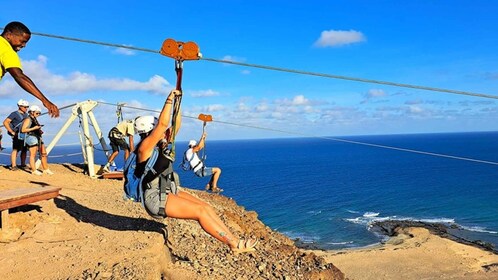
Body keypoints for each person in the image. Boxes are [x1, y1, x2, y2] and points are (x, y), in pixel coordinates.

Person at [133, 89, 257, 254]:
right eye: (156, 129)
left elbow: (175, 126)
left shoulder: (159, 145)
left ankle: (233, 239)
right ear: (150, 130)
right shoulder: (144, 149)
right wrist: (168, 100)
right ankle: (234, 244)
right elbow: (163, 125)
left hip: (167, 190)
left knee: (206, 207)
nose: (162, 132)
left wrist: (179, 102)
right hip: (155, 198)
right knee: (199, 212)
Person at [1, 21, 59, 118]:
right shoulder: (7, 50)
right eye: (22, 41)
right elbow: (19, 76)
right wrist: (45, 101)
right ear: (8, 35)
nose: (24, 45)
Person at [21, 105, 53, 175]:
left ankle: (46, 169)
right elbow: (23, 130)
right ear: (32, 112)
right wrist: (34, 128)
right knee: (33, 154)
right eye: (37, 113)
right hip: (31, 138)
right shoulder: (28, 119)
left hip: (37, 137)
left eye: (39, 113)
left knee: (44, 153)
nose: (38, 114)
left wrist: (38, 130)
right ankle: (34, 170)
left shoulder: (34, 119)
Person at [3, 99, 29, 170]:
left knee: (24, 149)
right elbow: (5, 122)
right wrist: (11, 131)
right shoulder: (14, 114)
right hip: (16, 134)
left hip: (24, 134)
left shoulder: (26, 115)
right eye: (25, 107)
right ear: (20, 106)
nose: (26, 108)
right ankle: (13, 165)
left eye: (27, 107)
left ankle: (23, 164)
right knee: (15, 149)